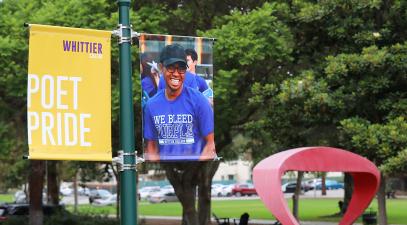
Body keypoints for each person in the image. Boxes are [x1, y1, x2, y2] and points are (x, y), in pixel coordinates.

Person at [143, 44, 216, 161]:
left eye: (181, 68)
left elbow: (211, 145)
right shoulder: (151, 105)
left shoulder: (199, 100)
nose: (176, 74)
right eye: (171, 67)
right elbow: (151, 147)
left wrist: (193, 167)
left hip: (194, 169)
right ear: (161, 68)